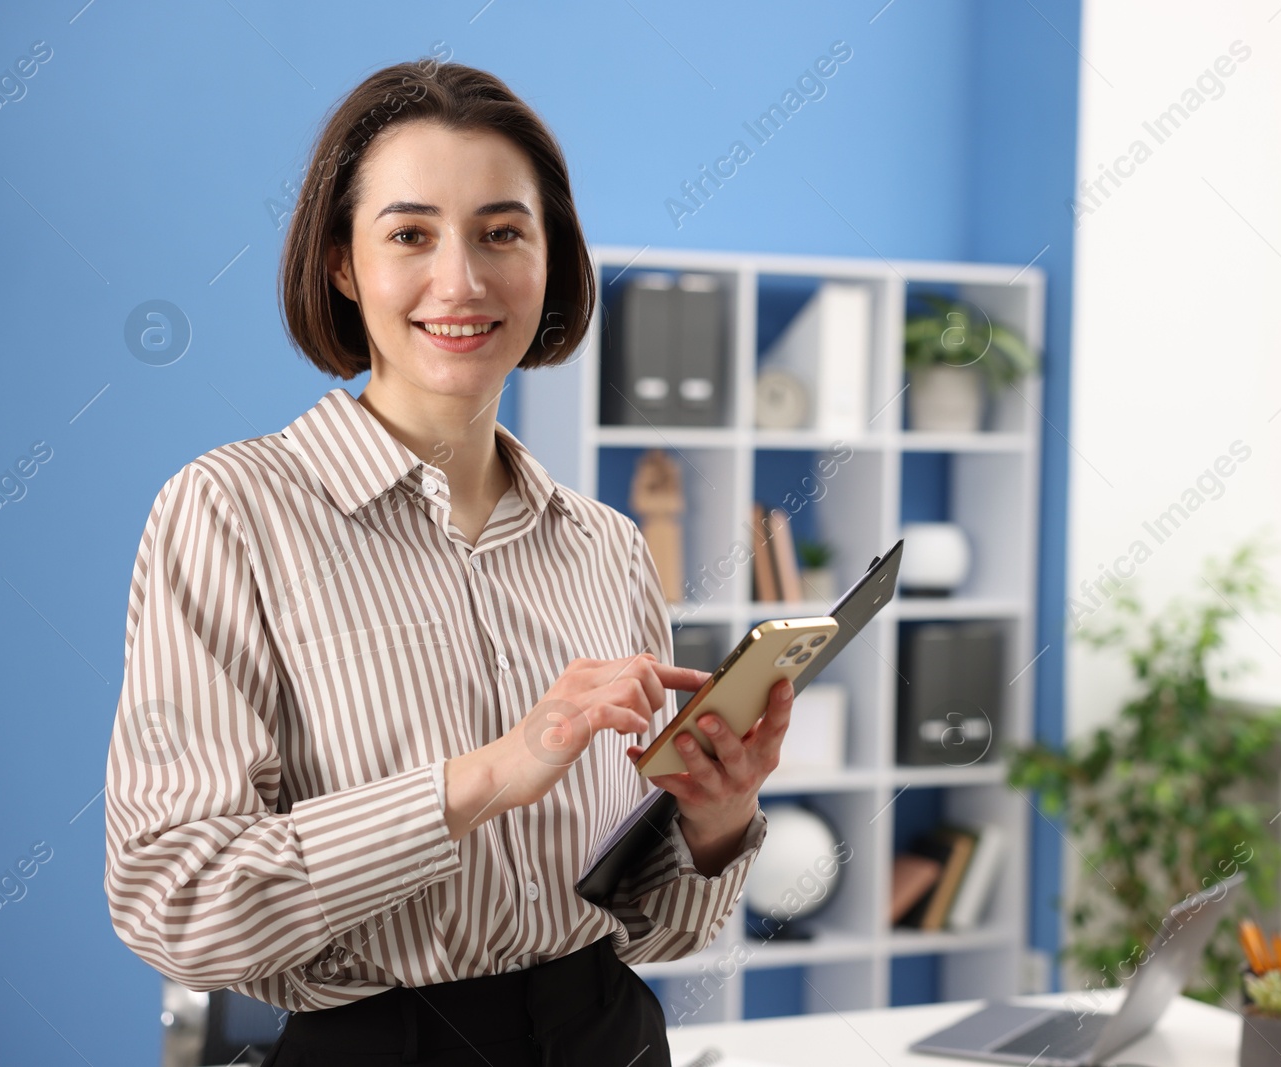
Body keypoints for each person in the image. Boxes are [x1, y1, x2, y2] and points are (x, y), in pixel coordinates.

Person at [104, 57, 792, 1067]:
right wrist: (484, 777)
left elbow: (656, 929)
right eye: (411, 234)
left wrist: (719, 816)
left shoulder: (605, 544)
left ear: (549, 257)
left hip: (611, 1034)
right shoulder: (230, 512)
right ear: (344, 263)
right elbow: (180, 904)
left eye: (502, 232)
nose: (461, 281)